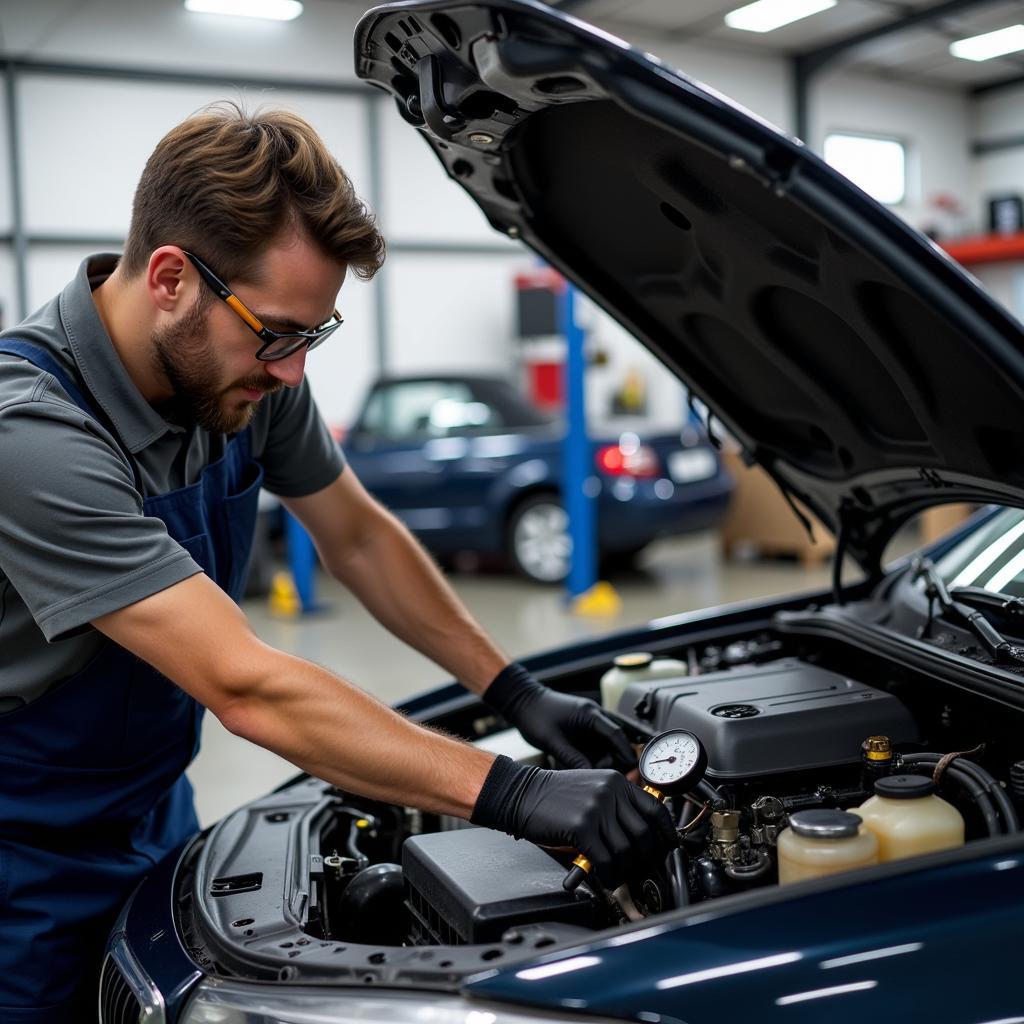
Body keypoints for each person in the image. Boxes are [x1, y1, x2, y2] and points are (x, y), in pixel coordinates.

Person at [0, 103, 676, 1021]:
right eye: (278, 334)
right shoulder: (30, 432)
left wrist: (515, 694)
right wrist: (513, 792)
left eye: (312, 337)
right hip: (22, 857)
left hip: (151, 808)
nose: (291, 373)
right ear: (169, 279)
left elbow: (358, 535)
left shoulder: (245, 376)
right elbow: (247, 686)